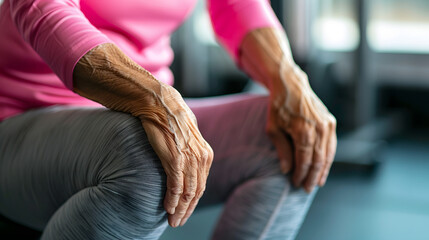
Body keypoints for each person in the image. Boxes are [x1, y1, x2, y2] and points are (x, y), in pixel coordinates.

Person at [0, 0, 337, 239]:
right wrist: (153, 98)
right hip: (23, 118)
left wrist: (289, 79)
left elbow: (236, 5)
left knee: (291, 132)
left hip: (130, 114)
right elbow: (42, 7)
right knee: (145, 151)